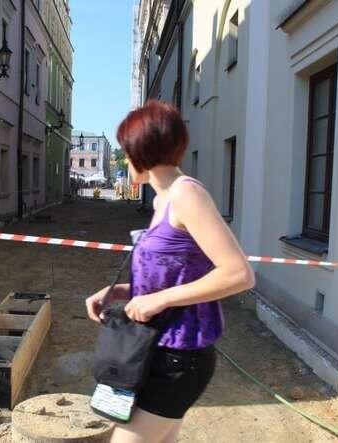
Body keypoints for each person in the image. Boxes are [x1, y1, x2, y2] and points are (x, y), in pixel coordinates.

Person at [85, 100, 255, 443]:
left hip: (180, 356)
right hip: (155, 349)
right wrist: (119, 291)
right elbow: (175, 274)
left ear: (141, 150)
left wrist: (159, 300)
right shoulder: (162, 201)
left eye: (125, 151)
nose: (124, 159)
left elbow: (239, 274)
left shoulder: (186, 194)